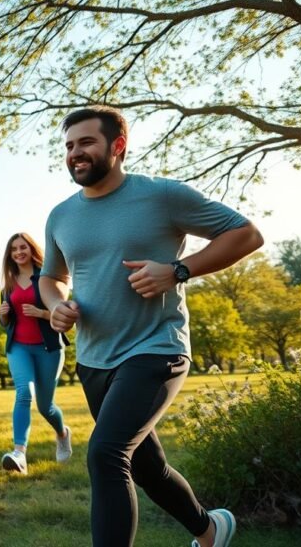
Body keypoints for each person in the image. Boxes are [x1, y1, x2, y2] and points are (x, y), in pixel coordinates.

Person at [39, 106, 263, 547]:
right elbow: (51, 277)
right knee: (147, 468)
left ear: (118, 146)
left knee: (106, 454)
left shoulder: (161, 196)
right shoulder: (60, 216)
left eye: (86, 142)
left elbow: (246, 234)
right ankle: (210, 531)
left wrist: (179, 270)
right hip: (94, 358)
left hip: (156, 347)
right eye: (69, 146)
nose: (75, 153)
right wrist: (55, 306)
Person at [0, 232, 72, 475]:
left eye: (23, 247)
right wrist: (3, 314)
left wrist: (42, 314)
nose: (18, 252)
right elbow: (5, 323)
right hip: (18, 347)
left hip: (48, 348)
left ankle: (62, 434)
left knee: (45, 406)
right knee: (23, 393)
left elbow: (64, 314)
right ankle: (19, 453)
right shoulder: (8, 284)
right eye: (14, 249)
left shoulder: (47, 279)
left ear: (31, 249)